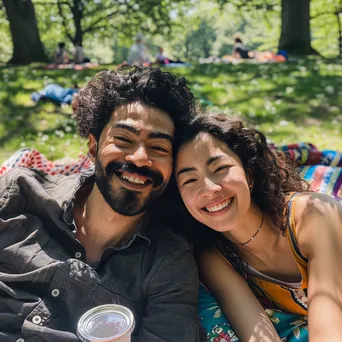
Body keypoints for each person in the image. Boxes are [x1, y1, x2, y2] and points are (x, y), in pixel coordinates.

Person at [0, 66, 202, 341]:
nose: (141, 158)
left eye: (159, 148)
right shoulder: (17, 196)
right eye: (123, 139)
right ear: (93, 146)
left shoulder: (168, 264)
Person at [173, 114, 342, 341]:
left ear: (249, 174)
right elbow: (259, 336)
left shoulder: (312, 215)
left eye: (220, 168)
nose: (209, 189)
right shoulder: (214, 256)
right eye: (189, 181)